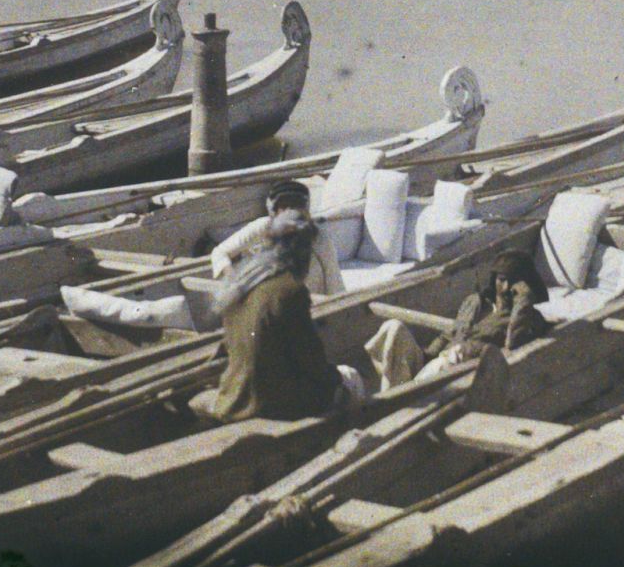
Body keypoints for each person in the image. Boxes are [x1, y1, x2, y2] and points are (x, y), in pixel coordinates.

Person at [202, 211, 359, 423]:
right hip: (271, 404)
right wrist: (339, 378)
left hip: (234, 393)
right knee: (351, 379)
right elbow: (314, 363)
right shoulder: (290, 291)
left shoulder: (240, 284)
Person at [366, 246, 551, 390]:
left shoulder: (528, 317)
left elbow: (513, 344)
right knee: (393, 327)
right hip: (435, 366)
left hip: (463, 374)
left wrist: (523, 300)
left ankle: (402, 395)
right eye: (502, 279)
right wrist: (426, 355)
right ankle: (393, 394)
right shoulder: (475, 302)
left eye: (514, 282)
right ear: (494, 279)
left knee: (452, 356)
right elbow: (448, 334)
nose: (506, 286)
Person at [210, 178, 345, 298]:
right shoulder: (262, 227)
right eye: (285, 207)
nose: (291, 212)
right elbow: (220, 252)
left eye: (296, 206)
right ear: (274, 211)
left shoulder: (320, 238)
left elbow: (335, 285)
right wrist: (234, 280)